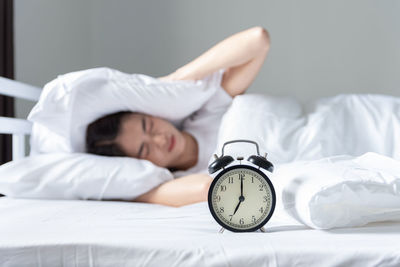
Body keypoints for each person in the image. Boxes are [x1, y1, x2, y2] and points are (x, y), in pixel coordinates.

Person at [85, 26, 270, 207]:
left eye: (148, 126)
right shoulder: (179, 181)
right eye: (145, 150)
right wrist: (129, 192)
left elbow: (257, 40)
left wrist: (173, 81)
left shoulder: (208, 113)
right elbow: (208, 189)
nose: (160, 139)